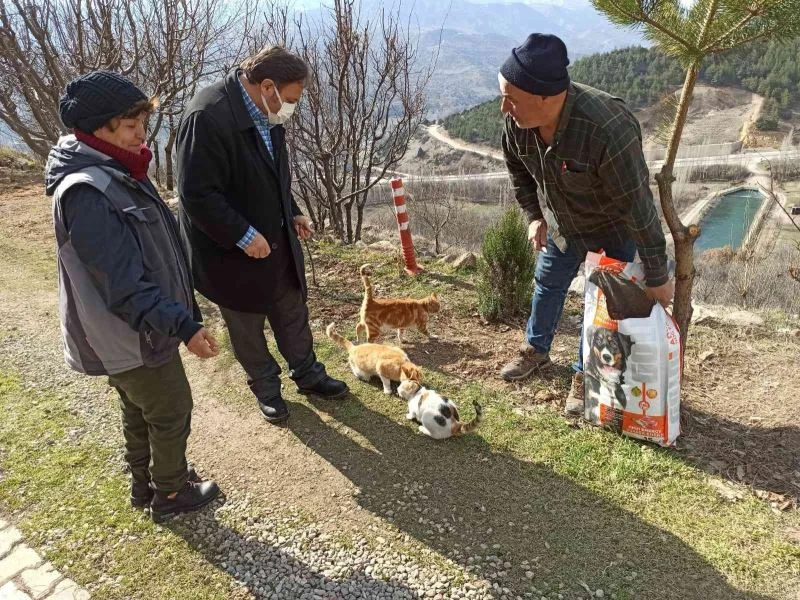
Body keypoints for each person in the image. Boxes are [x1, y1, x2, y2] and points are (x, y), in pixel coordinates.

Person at [45, 70, 220, 522]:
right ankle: (171, 492)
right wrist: (184, 325)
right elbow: (124, 285)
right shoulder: (88, 192)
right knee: (171, 408)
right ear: (98, 128)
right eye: (130, 124)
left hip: (142, 326)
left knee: (140, 408)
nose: (142, 133)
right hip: (132, 333)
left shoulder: (118, 168)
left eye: (143, 120)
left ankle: (146, 484)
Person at [496, 34, 674, 416]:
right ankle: (536, 349)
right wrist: (534, 216)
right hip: (563, 226)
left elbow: (637, 204)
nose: (503, 108)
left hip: (613, 229)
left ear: (544, 97)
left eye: (510, 98)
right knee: (548, 284)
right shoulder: (517, 121)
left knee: (603, 306)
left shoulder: (606, 126)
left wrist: (657, 274)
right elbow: (518, 170)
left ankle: (584, 373)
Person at [176, 46, 348, 424]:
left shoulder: (266, 111)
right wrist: (242, 234)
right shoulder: (207, 117)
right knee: (246, 324)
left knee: (291, 310)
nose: (291, 108)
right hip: (228, 251)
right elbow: (195, 194)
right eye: (289, 100)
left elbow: (272, 171)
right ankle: (267, 388)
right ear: (267, 86)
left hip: (275, 238)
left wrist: (294, 209)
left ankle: (308, 374)